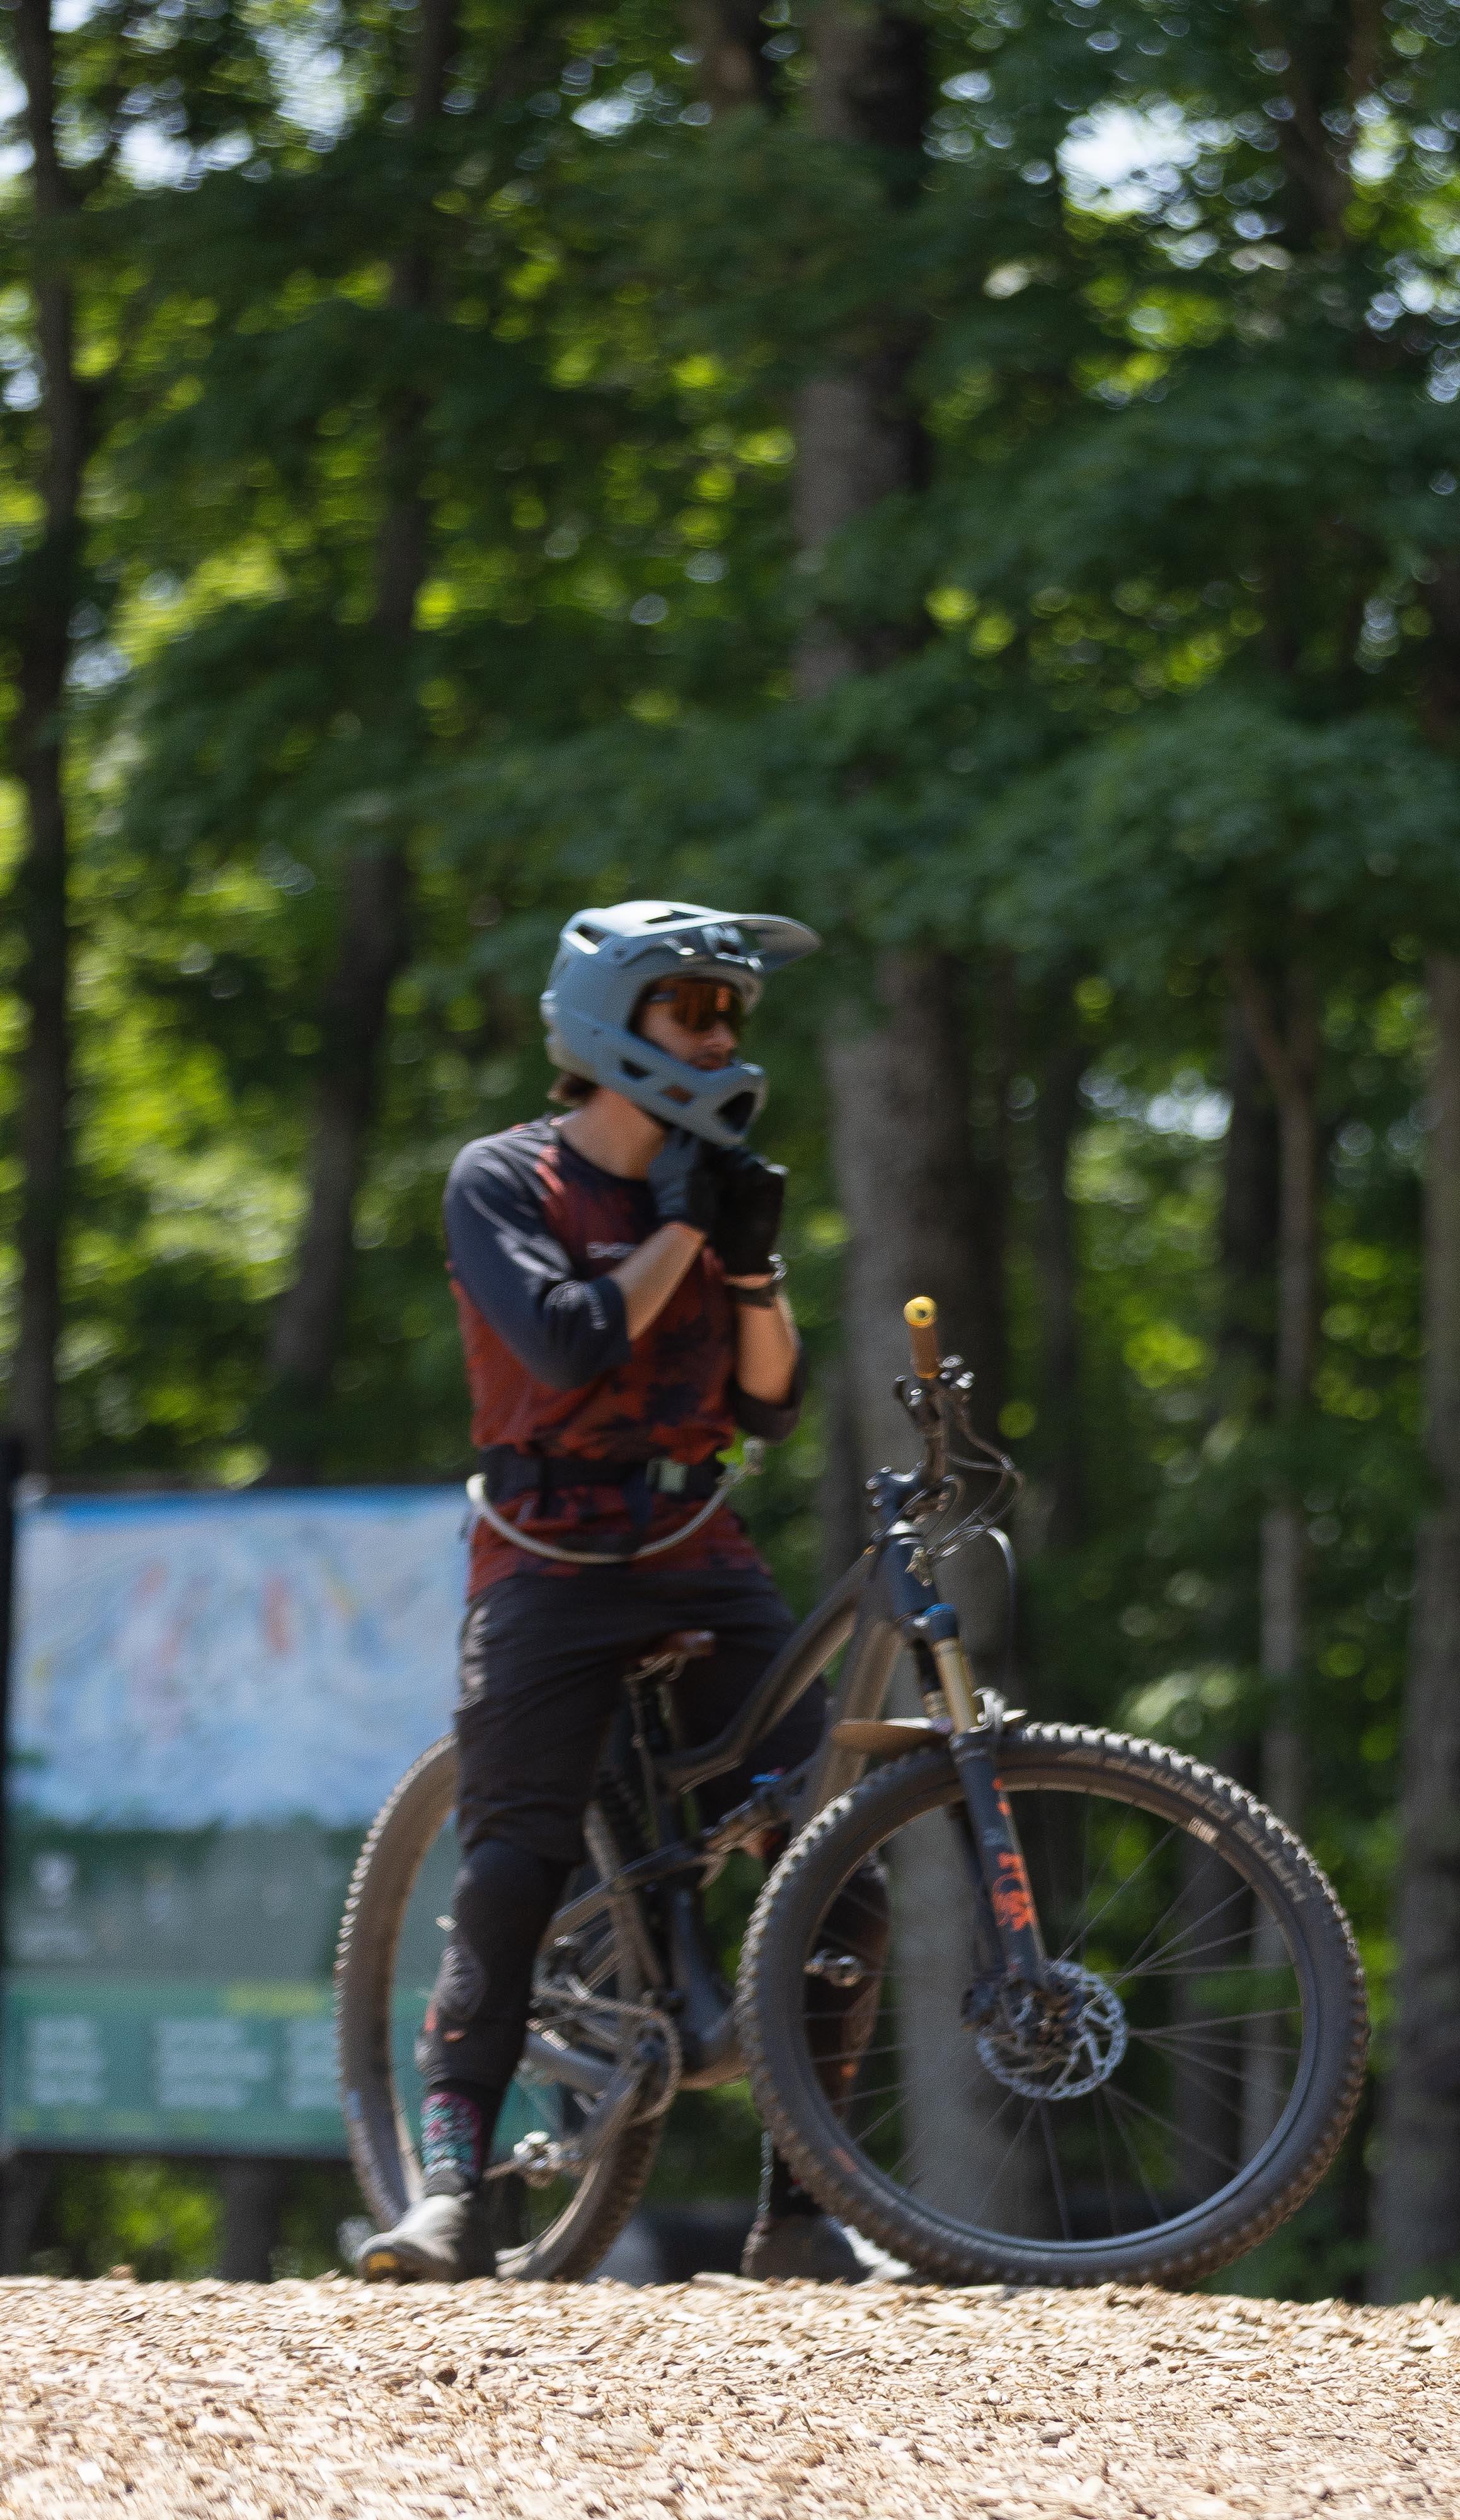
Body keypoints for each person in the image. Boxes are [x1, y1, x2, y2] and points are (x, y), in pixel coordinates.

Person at [355, 900, 858, 2284]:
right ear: (608, 1021)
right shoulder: (502, 1178)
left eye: (731, 1014)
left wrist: (750, 1262)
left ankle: (803, 2212)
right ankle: (452, 2188)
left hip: (699, 1542)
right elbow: (569, 1344)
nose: (720, 1035)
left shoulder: (706, 1189)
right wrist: (687, 1237)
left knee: (841, 1831)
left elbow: (769, 1401)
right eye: (692, 1008)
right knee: (512, 1864)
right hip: (550, 1560)